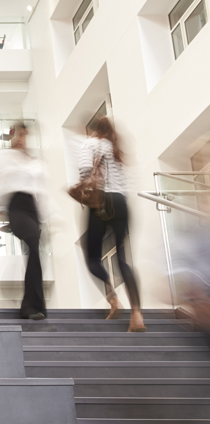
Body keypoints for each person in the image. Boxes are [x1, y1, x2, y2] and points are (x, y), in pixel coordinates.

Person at [78, 116, 145, 332]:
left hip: (101, 203)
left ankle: (113, 300)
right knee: (123, 259)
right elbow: (130, 180)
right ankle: (137, 315)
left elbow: (85, 171)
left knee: (92, 258)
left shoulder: (90, 144)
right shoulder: (117, 149)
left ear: (95, 130)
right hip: (122, 203)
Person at [0, 123, 50, 320]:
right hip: (16, 206)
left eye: (26, 135)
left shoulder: (36, 162)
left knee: (35, 251)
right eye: (19, 134)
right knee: (32, 240)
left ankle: (33, 306)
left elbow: (42, 191)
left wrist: (49, 216)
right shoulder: (1, 158)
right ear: (13, 136)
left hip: (33, 208)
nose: (22, 138)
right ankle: (31, 305)